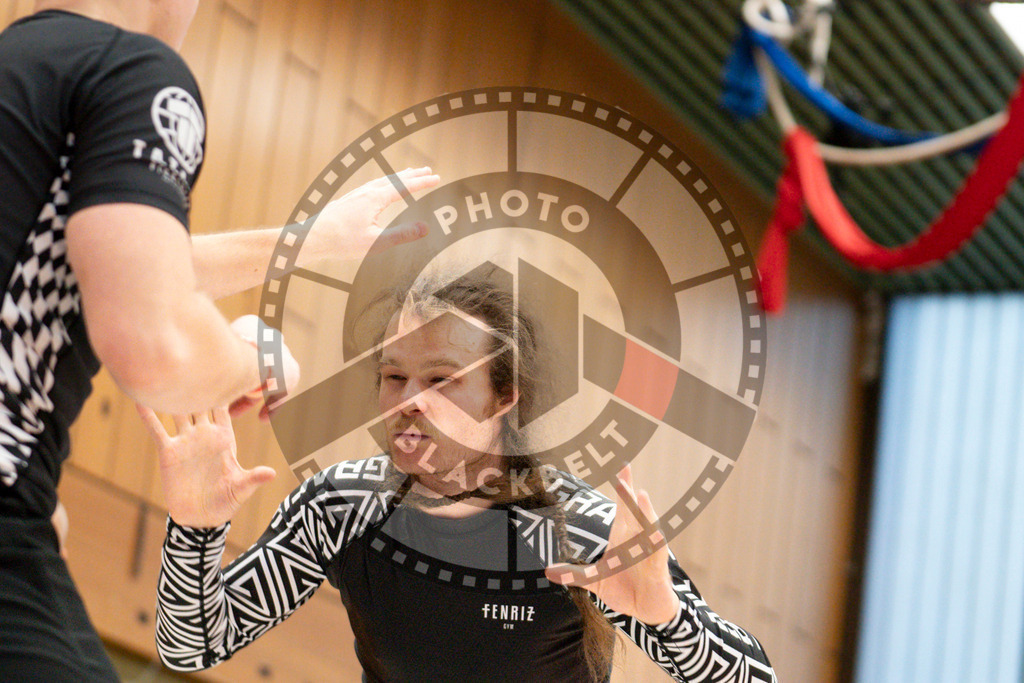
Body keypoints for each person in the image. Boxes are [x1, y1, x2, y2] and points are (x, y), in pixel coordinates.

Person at [0, 2, 437, 680]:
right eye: (401, 375)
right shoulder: (134, 70)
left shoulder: (21, 69)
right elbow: (156, 337)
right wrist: (248, 361)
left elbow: (106, 257)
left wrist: (311, 241)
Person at [140, 275, 778, 682]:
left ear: (505, 399)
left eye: (442, 379)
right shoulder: (342, 507)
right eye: (394, 377)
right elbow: (191, 647)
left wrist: (669, 620)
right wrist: (195, 529)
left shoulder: (579, 529)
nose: (407, 400)